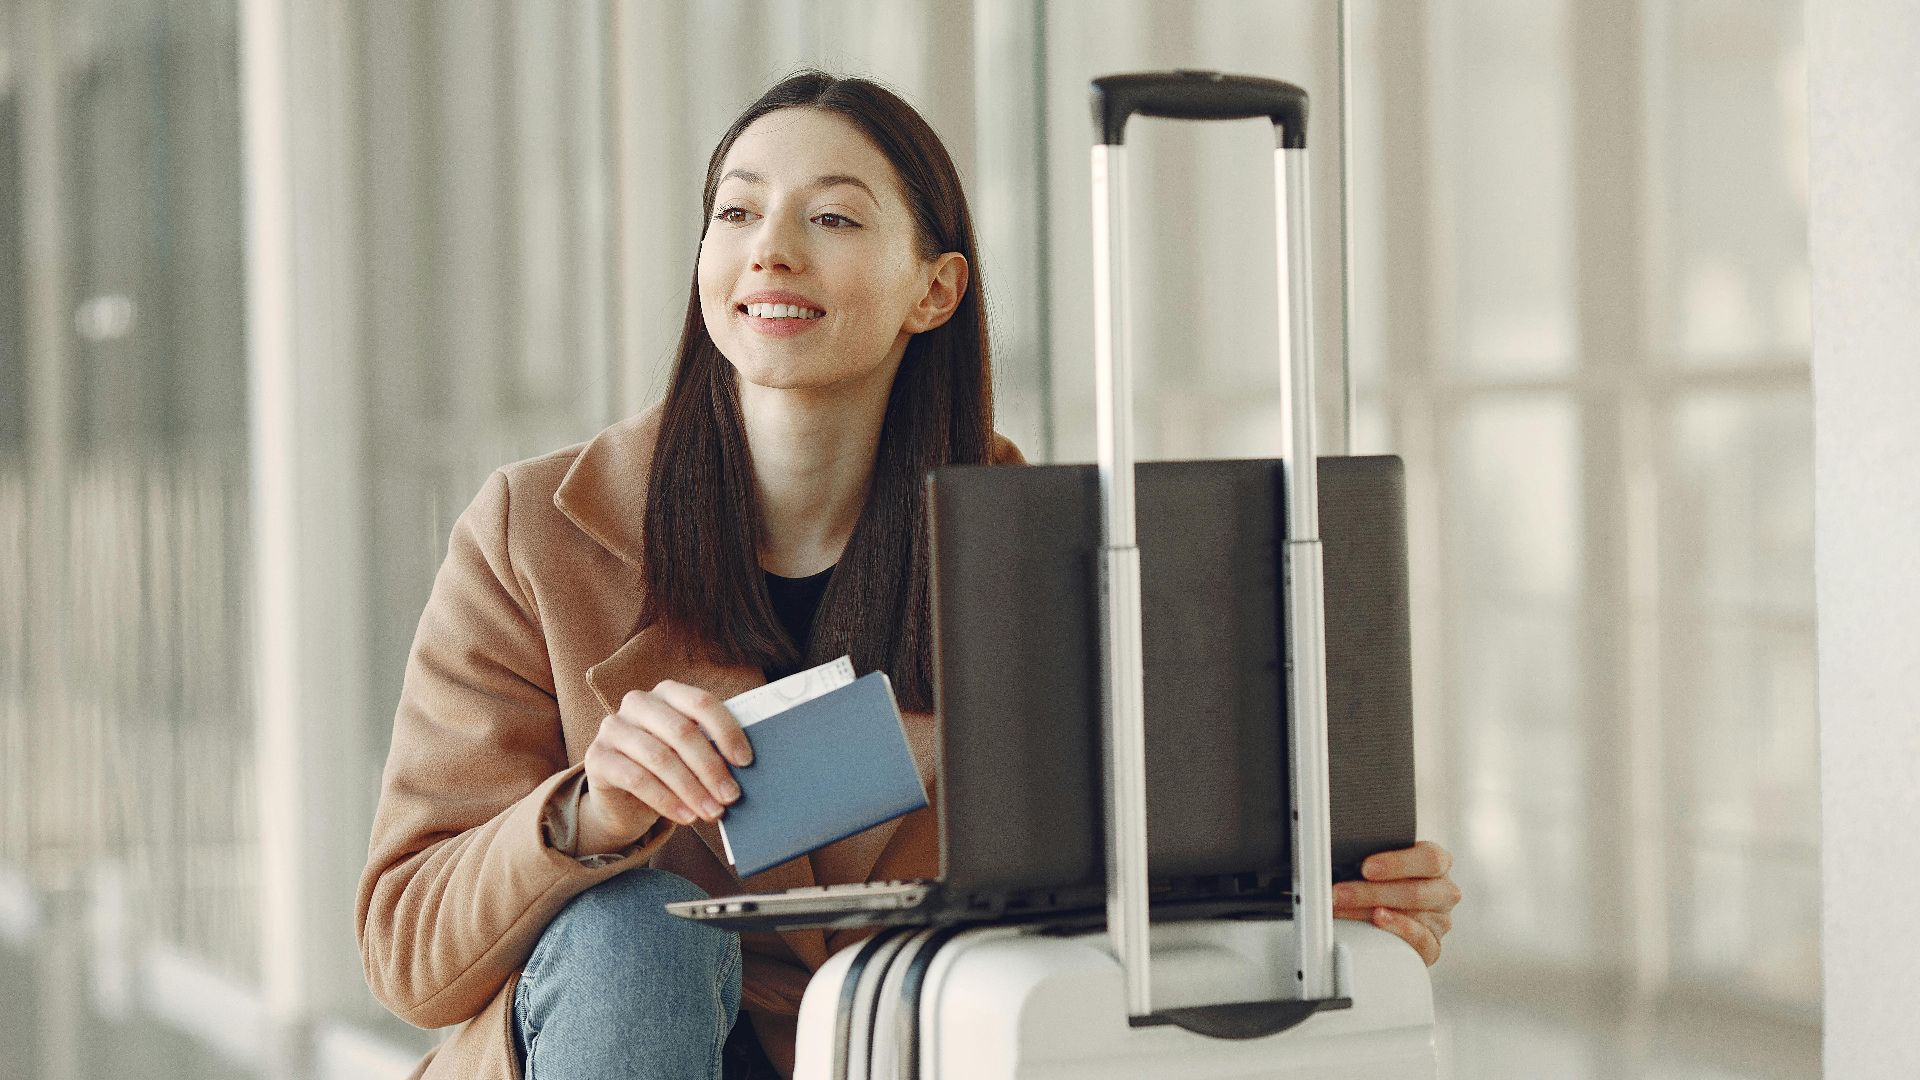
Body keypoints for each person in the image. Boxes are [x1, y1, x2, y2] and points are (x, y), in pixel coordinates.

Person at [355, 69, 1461, 1080]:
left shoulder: (1056, 558)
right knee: (633, 929)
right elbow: (411, 957)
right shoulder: (536, 534)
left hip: (899, 1048)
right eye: (735, 212)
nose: (770, 250)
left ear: (933, 292)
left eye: (831, 217)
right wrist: (586, 819)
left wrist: (1323, 898)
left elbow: (1129, 881)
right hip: (635, 1040)